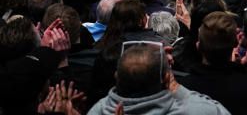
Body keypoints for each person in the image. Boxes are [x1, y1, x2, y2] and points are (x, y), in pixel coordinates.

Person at [87, 41, 229, 114]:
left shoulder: (98, 110)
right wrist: (178, 90)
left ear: (117, 77)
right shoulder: (200, 111)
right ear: (167, 79)